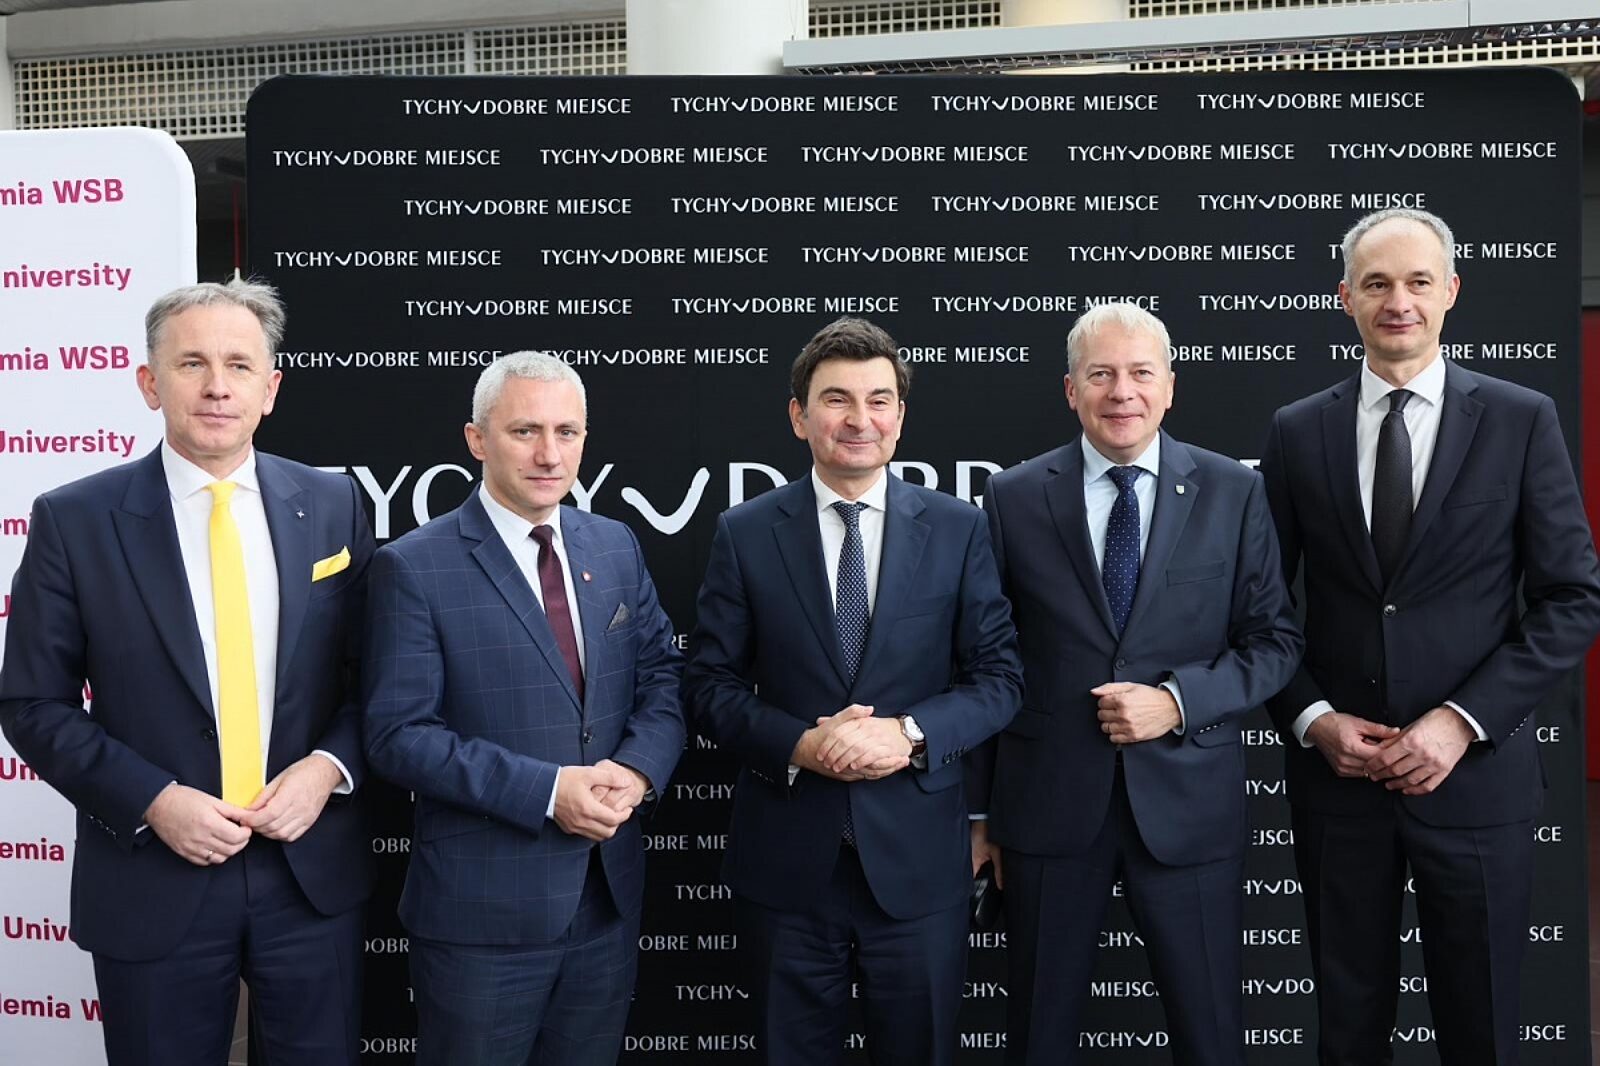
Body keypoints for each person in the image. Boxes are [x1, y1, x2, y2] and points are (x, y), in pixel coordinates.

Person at [0, 280, 375, 1065]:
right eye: (191, 363)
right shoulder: (74, 519)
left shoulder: (334, 503)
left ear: (270, 389)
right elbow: (32, 702)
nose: (216, 386)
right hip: (152, 876)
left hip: (308, 875)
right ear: (149, 382)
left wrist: (326, 770)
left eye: (239, 365)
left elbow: (374, 676)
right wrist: (154, 800)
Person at [1259, 208, 1600, 1066]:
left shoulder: (1521, 419)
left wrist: (1460, 721)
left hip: (1477, 781)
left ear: (1451, 291)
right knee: (1348, 1032)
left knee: (1481, 1031)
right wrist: (1314, 720)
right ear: (1345, 298)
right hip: (1340, 785)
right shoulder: (1298, 430)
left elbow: (1570, 598)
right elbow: (1259, 608)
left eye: (1417, 281)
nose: (1398, 301)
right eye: (1376, 283)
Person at [683, 316, 1022, 1066]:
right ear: (799, 415)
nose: (858, 419)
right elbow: (707, 684)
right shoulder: (745, 532)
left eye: (878, 400)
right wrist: (800, 745)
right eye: (836, 399)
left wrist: (907, 733)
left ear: (900, 416)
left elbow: (999, 679)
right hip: (786, 868)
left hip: (919, 869)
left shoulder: (959, 529)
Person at [971, 302, 1302, 1066]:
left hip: (1189, 812)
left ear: (1170, 387)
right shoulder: (1014, 497)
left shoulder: (1232, 491)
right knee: (1037, 1040)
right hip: (1047, 812)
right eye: (1101, 374)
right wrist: (979, 816)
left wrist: (1176, 702)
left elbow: (1274, 642)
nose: (1122, 391)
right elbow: (985, 661)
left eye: (1140, 373)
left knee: (1210, 1038)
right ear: (1071, 390)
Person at [362, 350, 685, 1066]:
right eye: (525, 431)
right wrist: (547, 792)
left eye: (566, 432)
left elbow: (662, 677)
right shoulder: (413, 566)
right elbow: (398, 736)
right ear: (477, 440)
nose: (549, 454)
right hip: (481, 919)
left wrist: (637, 772)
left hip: (605, 902)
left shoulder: (614, 545)